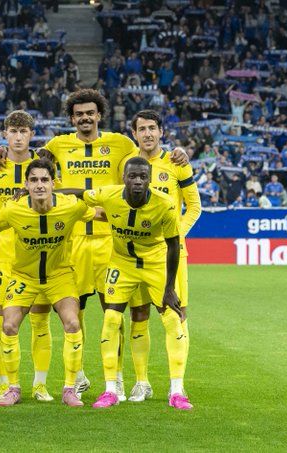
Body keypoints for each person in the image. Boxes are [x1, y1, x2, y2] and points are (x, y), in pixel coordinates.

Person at [0, 88, 188, 400]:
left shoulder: (120, 143)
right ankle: (80, 376)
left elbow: (149, 153)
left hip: (111, 240)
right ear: (72, 118)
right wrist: (1, 151)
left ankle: (119, 379)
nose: (85, 118)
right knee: (76, 312)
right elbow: (35, 162)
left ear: (99, 115)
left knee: (115, 311)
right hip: (73, 241)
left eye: (90, 113)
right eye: (79, 114)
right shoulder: (58, 144)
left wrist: (177, 153)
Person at [72, 157, 191, 410]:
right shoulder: (109, 194)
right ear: (124, 178)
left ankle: (177, 391)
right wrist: (44, 192)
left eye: (143, 177)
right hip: (122, 264)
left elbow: (173, 246)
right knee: (111, 319)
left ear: (149, 179)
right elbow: (78, 193)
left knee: (172, 318)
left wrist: (170, 288)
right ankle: (110, 390)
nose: (138, 181)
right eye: (133, 176)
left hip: (156, 263)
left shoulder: (164, 204)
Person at [0, 159, 103, 407]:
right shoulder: (13, 209)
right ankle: (13, 388)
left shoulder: (71, 206)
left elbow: (100, 214)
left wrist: (131, 215)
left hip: (59, 276)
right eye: (34, 180)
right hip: (24, 277)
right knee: (8, 326)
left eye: (44, 180)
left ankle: (69, 389)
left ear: (54, 183)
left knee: (73, 323)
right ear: (26, 185)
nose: (39, 185)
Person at [122, 110, 201, 402]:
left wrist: (175, 236)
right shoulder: (127, 162)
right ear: (134, 134)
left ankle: (176, 386)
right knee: (138, 315)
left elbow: (194, 206)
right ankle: (141, 382)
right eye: (142, 129)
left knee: (177, 315)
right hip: (135, 254)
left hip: (170, 255)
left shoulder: (177, 163)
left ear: (161, 132)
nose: (147, 134)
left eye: (152, 128)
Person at [0, 110, 53, 402]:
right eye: (13, 131)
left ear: (31, 134)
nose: (18, 137)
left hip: (37, 254)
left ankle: (40, 385)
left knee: (40, 321)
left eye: (24, 131)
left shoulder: (44, 164)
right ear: (5, 134)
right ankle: (5, 384)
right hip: (1, 254)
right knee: (1, 322)